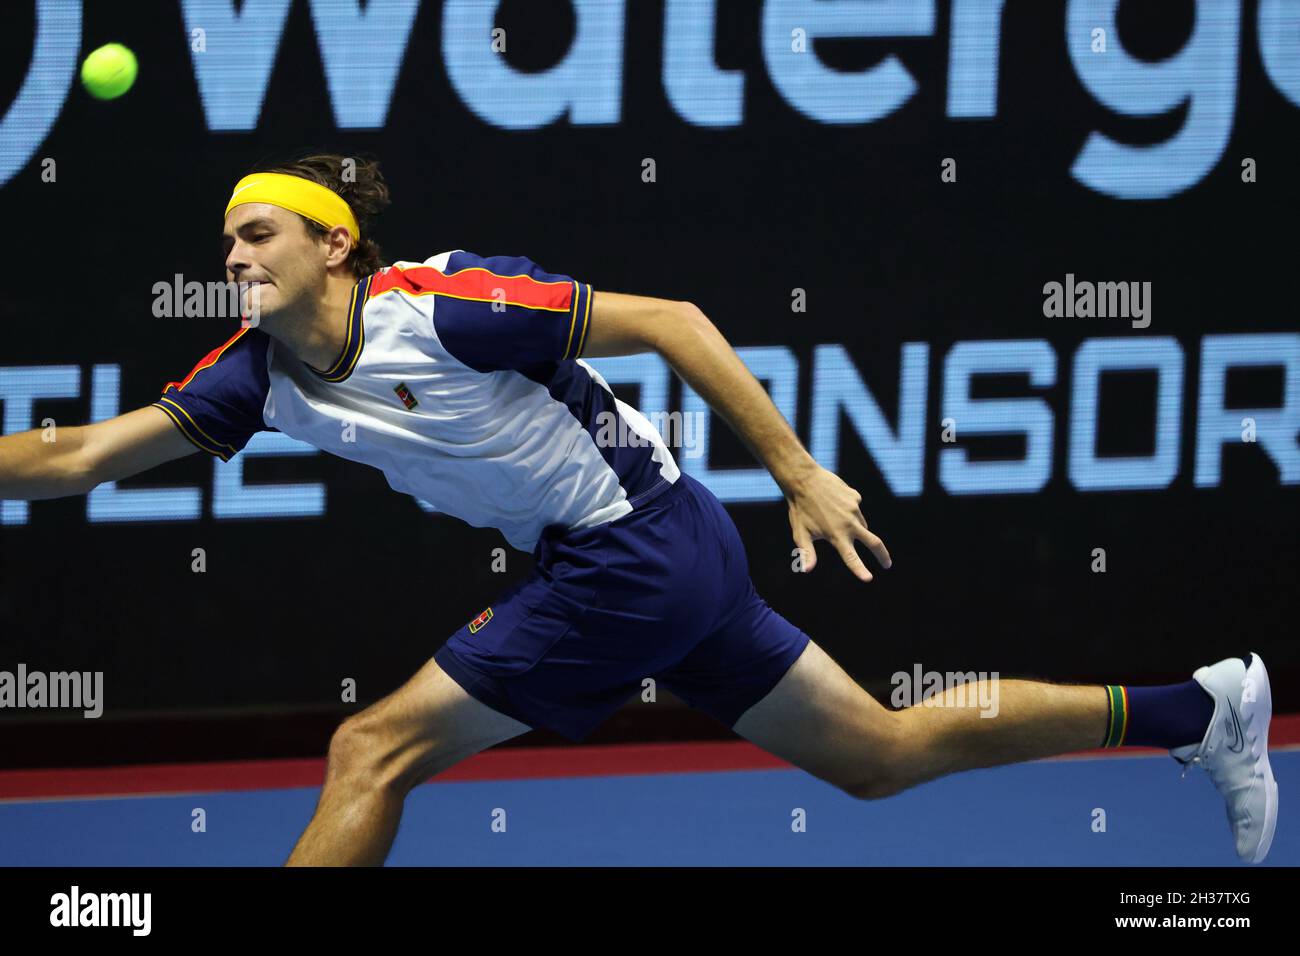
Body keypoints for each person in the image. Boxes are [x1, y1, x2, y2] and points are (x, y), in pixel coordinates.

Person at [0, 154, 1277, 866]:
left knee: (366, 751)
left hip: (630, 552)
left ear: (332, 245)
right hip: (662, 549)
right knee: (878, 755)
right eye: (225, 241)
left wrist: (792, 464)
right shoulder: (252, 370)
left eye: (259, 233)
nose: (234, 257)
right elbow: (70, 462)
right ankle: (1195, 706)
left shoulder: (448, 306)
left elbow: (671, 320)